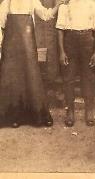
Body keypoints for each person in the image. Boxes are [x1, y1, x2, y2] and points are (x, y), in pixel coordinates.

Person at [0, 0, 68, 128]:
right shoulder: (6, 4)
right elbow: (0, 25)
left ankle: (36, 114)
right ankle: (13, 117)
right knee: (12, 80)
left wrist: (58, 5)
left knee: (32, 76)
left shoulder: (32, 1)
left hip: (27, 48)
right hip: (10, 49)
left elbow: (45, 16)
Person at [56, 0, 95, 127]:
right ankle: (70, 111)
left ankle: (89, 111)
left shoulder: (93, 6)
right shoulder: (64, 7)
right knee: (68, 78)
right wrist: (62, 52)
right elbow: (60, 30)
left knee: (88, 78)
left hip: (87, 41)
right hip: (69, 41)